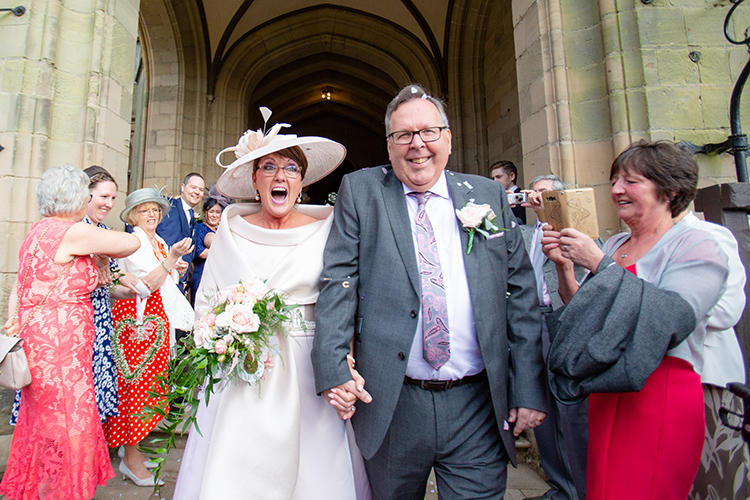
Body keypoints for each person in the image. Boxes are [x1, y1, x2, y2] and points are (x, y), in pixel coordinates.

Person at [311, 84, 546, 499]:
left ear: (448, 139)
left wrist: (527, 386)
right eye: (403, 135)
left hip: (478, 404)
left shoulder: (487, 195)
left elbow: (521, 294)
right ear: (389, 146)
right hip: (391, 402)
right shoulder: (362, 193)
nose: (417, 144)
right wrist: (333, 369)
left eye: (428, 132)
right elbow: (338, 282)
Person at [173, 110, 372, 500]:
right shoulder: (230, 228)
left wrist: (345, 360)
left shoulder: (330, 228)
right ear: (254, 180)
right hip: (243, 375)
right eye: (269, 167)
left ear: (302, 181)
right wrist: (221, 339)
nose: (281, 176)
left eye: (292, 168)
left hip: (310, 370)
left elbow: (344, 301)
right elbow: (207, 305)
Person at [542, 141, 729, 500]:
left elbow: (670, 317)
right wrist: (565, 268)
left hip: (661, 394)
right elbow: (587, 313)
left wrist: (599, 264)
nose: (615, 190)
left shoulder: (697, 246)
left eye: (631, 181)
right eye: (614, 180)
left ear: (670, 189)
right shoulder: (615, 244)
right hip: (605, 392)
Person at [0, 165, 140, 500]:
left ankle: (42, 488)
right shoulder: (71, 232)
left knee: (46, 421)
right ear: (78, 198)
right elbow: (130, 242)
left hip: (42, 340)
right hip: (61, 346)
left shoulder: (36, 232)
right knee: (69, 421)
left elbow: (19, 286)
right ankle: (62, 492)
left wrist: (12, 322)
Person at [103, 187, 194, 487]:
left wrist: (175, 264)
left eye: (155, 209)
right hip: (136, 323)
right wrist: (171, 261)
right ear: (132, 216)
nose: (152, 214)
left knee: (150, 387)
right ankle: (129, 458)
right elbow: (144, 285)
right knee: (135, 388)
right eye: (145, 210)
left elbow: (166, 278)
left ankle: (134, 450)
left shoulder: (160, 240)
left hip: (156, 320)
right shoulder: (134, 241)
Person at [519, 174, 588, 500]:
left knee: (570, 411)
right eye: (536, 194)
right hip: (531, 323)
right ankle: (559, 487)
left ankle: (581, 488)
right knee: (541, 407)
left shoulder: (576, 233)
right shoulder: (523, 234)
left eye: (547, 195)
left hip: (563, 321)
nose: (539, 200)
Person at [681, 211, 749, 500]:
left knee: (713, 482)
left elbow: (725, 311)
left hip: (707, 380)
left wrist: (651, 309)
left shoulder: (710, 235)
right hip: (656, 380)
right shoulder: (628, 242)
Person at [156, 172, 205, 293]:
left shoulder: (193, 218)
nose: (197, 192)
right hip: (161, 280)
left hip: (178, 283)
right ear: (183, 187)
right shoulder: (168, 207)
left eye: (201, 190)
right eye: (193, 187)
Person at [188, 195, 226, 305]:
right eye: (211, 211)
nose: (214, 215)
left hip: (219, 274)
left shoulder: (222, 230)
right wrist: (222, 252)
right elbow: (200, 253)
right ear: (205, 212)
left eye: (217, 212)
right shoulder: (201, 228)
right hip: (202, 274)